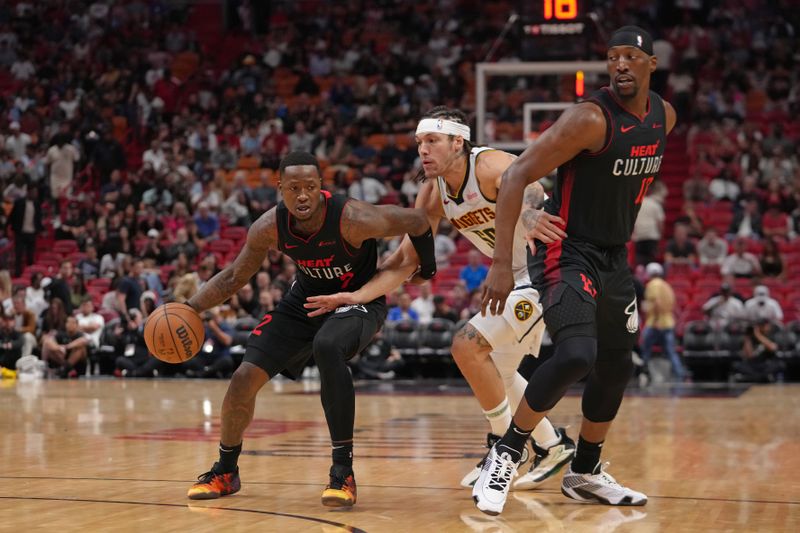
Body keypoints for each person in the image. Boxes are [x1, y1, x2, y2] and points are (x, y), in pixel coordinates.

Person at [303, 107, 575, 494]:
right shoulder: (433, 192)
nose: (423, 151)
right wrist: (354, 294)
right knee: (495, 369)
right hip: (512, 278)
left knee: (467, 346)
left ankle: (506, 448)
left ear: (457, 141)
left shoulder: (488, 164)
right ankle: (553, 444)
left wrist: (531, 213)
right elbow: (404, 260)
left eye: (432, 141)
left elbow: (528, 185)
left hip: (545, 273)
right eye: (419, 143)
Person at [478, 26, 675, 513]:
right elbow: (516, 174)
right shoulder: (589, 118)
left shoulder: (664, 117)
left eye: (631, 56)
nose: (621, 65)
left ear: (652, 64)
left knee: (616, 365)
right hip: (565, 249)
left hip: (613, 255)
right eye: (613, 57)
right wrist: (504, 261)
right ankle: (504, 454)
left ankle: (584, 471)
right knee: (575, 355)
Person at [185, 152, 437, 508]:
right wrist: (190, 308)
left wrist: (427, 268)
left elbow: (418, 220)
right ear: (280, 189)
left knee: (327, 345)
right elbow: (233, 276)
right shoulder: (269, 226)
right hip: (305, 301)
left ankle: (342, 472)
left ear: (321, 187)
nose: (302, 195)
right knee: (243, 377)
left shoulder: (354, 217)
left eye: (309, 187)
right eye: (293, 188)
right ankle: (226, 470)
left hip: (356, 300)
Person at [640, 263, 687, 382]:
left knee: (645, 348)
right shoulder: (666, 285)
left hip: (655, 323)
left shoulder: (652, 285)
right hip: (668, 322)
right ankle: (679, 374)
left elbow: (657, 302)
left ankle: (643, 372)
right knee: (670, 351)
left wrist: (655, 320)